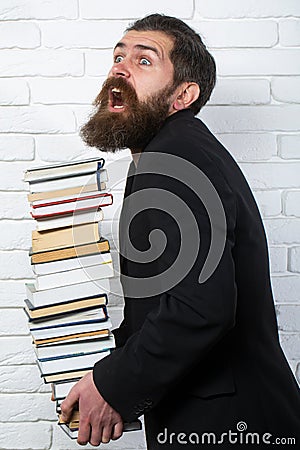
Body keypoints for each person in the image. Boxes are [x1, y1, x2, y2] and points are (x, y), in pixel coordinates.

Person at [61, 14, 300, 449]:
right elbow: (178, 298)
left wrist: (112, 385)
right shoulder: (171, 153)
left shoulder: (176, 154)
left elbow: (200, 307)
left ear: (183, 95)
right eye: (118, 56)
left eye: (144, 60)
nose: (120, 67)